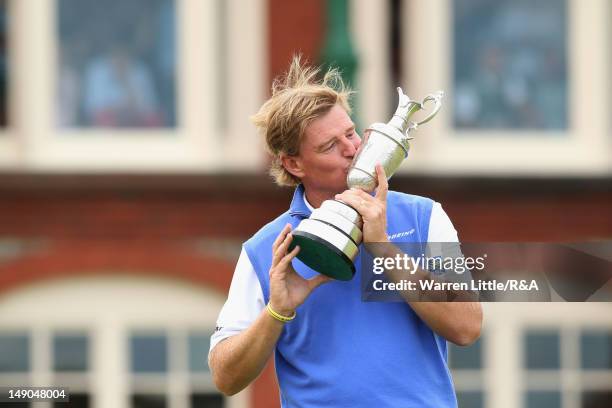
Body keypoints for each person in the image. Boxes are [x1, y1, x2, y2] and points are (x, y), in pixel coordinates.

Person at [208, 57, 483, 407]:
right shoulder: (266, 248)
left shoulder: (424, 216)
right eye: (329, 146)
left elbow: (468, 326)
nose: (352, 149)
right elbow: (225, 377)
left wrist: (383, 248)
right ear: (293, 164)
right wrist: (277, 311)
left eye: (351, 132)